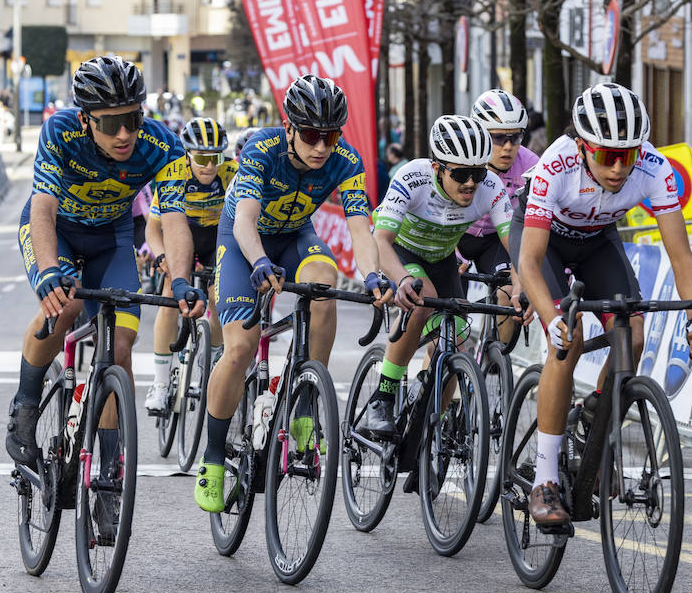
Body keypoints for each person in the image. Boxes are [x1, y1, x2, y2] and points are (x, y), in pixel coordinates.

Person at [5, 56, 206, 505]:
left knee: (119, 349)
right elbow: (42, 209)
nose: (124, 134)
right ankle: (25, 405)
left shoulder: (162, 146)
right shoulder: (61, 131)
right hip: (58, 232)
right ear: (85, 119)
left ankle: (110, 478)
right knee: (65, 305)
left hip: (112, 239)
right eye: (111, 123)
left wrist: (179, 281)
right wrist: (48, 271)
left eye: (132, 119)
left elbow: (172, 219)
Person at [514, 82, 692, 529]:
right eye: (607, 155)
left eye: (628, 153)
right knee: (568, 340)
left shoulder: (653, 167)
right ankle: (544, 479)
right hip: (544, 242)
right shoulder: (556, 166)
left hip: (597, 239)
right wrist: (551, 321)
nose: (620, 167)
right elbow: (527, 261)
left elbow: (681, 255)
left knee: (633, 334)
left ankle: (593, 419)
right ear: (583, 147)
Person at [193, 74, 393, 511]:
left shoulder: (345, 159)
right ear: (289, 128)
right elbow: (244, 219)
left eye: (330, 135)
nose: (321, 146)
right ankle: (212, 458)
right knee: (240, 347)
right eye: (310, 135)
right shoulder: (261, 149)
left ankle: (306, 397)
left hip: (295, 234)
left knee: (325, 280)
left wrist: (373, 274)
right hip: (244, 240)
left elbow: (361, 227)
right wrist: (259, 261)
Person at [358, 116, 519, 442]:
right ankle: (383, 398)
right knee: (421, 302)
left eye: (478, 172)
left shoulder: (490, 186)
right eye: (461, 174)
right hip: (401, 253)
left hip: (442, 258)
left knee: (457, 344)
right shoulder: (411, 177)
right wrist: (401, 279)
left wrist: (522, 285)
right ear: (437, 168)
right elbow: (381, 239)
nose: (471, 183)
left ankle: (427, 435)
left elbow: (516, 245)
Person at [144, 117, 238, 416]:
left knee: (217, 295)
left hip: (215, 237)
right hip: (179, 234)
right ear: (187, 155)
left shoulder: (232, 172)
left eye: (215, 158)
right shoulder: (174, 174)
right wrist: (161, 257)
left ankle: (210, 362)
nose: (209, 166)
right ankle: (160, 383)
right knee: (173, 292)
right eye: (201, 158)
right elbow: (153, 230)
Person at [456, 89, 539, 276]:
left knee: (506, 290)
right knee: (450, 297)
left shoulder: (531, 165)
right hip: (455, 234)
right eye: (499, 138)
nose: (508, 147)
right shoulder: (459, 158)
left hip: (497, 238)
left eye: (516, 138)